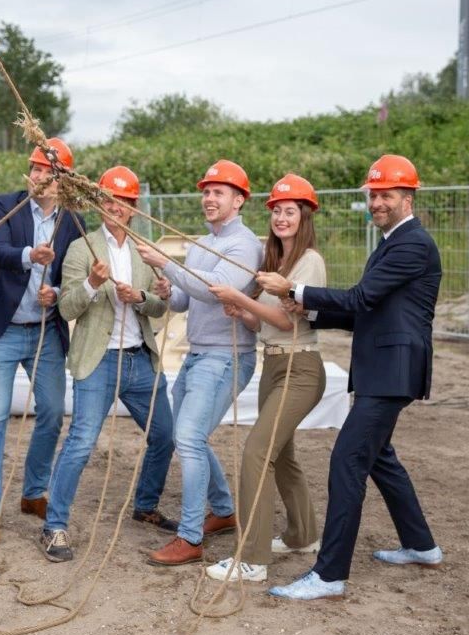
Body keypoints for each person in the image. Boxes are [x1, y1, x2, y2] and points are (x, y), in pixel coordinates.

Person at [257, 154, 443, 601]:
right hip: (385, 369)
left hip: (391, 372)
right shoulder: (394, 242)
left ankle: (329, 574)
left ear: (408, 197)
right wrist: (313, 311)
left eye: (386, 195)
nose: (377, 202)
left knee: (347, 461)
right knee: (380, 458)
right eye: (374, 195)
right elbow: (369, 311)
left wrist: (294, 291)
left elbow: (362, 297)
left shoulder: (412, 244)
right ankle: (421, 545)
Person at [40, 166, 176, 562]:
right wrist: (92, 284)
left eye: (122, 201)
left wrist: (144, 297)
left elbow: (160, 307)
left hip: (140, 360)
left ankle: (145, 504)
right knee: (81, 442)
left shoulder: (143, 250)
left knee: (165, 435)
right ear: (98, 203)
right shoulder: (83, 248)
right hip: (97, 362)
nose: (113, 206)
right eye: (107, 199)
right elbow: (66, 308)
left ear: (134, 208)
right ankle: (55, 525)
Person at [0, 138, 86, 545]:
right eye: (35, 170)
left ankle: (33, 493)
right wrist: (30, 255)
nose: (39, 178)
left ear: (63, 181)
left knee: (51, 412)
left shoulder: (73, 221)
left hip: (46, 330)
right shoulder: (4, 205)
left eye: (48, 173)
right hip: (0, 328)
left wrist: (59, 291)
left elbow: (76, 270)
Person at [136, 159, 263, 566]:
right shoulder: (200, 243)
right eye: (206, 191)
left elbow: (216, 291)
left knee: (188, 438)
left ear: (239, 201)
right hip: (199, 353)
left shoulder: (244, 245)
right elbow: (186, 300)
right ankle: (224, 511)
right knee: (188, 435)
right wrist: (168, 288)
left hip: (226, 357)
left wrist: (165, 264)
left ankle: (190, 538)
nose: (209, 198)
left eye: (218, 192)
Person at [205, 173, 327, 582]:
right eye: (276, 211)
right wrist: (243, 313)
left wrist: (240, 297)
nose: (280, 218)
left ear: (304, 216)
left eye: (289, 211)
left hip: (300, 367)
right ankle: (303, 535)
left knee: (257, 452)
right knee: (283, 456)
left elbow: (288, 321)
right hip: (275, 365)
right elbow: (267, 326)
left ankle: (252, 559)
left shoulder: (309, 261)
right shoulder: (275, 263)